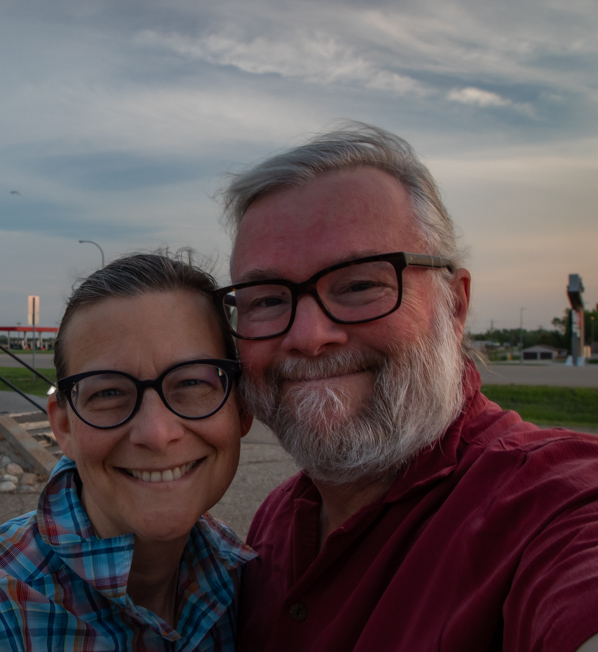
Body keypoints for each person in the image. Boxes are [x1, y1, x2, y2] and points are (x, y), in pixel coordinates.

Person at [215, 122, 598, 651]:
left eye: (359, 284)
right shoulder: (277, 519)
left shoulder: (552, 506)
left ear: (455, 305)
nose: (308, 337)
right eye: (266, 299)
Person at [0, 252, 254, 651]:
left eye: (191, 383)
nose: (156, 434)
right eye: (109, 393)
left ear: (242, 406)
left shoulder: (243, 577)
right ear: (63, 425)